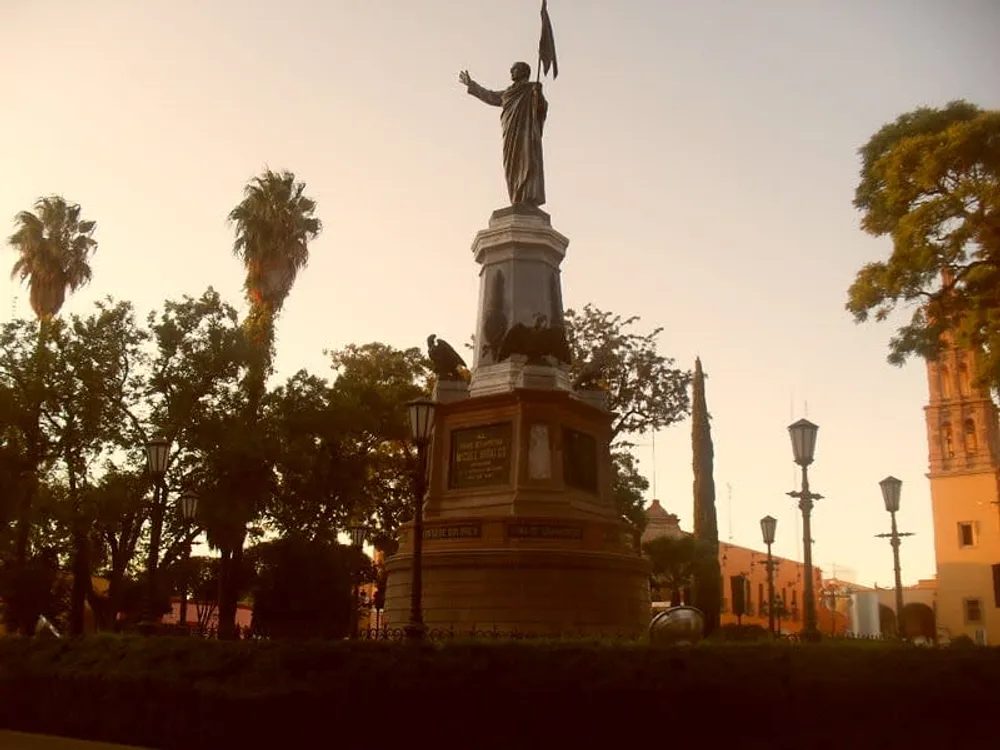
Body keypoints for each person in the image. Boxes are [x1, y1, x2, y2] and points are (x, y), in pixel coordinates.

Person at [459, 62, 547, 207]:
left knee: (527, 160)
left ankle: (527, 197)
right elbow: (490, 96)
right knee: (511, 165)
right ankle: (516, 197)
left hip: (526, 132)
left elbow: (541, 109)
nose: (511, 71)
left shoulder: (532, 88)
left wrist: (538, 97)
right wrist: (472, 84)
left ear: (524, 71)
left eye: (515, 69)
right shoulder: (508, 93)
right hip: (510, 134)